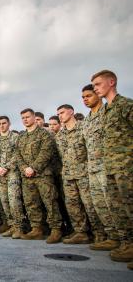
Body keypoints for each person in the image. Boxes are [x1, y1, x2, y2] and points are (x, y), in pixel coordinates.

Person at [91, 70, 133, 267]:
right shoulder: (107, 110)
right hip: (111, 167)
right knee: (118, 208)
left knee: (130, 207)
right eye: (94, 86)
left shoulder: (125, 104)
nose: (96, 88)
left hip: (127, 167)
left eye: (98, 84)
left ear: (112, 82)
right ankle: (127, 244)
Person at [81, 84, 121, 252]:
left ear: (97, 95)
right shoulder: (87, 120)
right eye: (83, 97)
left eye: (88, 95)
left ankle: (125, 239)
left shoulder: (107, 113)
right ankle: (112, 237)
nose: (85, 99)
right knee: (99, 205)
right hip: (92, 169)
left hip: (108, 166)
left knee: (114, 204)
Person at [55, 104, 102, 244]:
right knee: (73, 205)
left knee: (90, 204)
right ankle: (81, 232)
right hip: (68, 175)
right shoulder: (60, 135)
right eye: (58, 114)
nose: (60, 116)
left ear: (71, 112)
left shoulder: (83, 127)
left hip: (84, 173)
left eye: (62, 112)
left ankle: (100, 233)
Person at [15, 108, 62, 244]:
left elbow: (46, 152)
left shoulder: (44, 134)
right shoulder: (21, 137)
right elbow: (17, 155)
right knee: (31, 203)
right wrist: (25, 168)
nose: (25, 119)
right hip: (27, 176)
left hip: (43, 175)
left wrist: (33, 168)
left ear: (34, 117)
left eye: (27, 117)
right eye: (23, 117)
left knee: (50, 201)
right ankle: (37, 229)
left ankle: (56, 229)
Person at [0, 116, 25, 239]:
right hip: (0, 175)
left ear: (9, 124)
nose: (2, 125)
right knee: (4, 201)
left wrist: (7, 167)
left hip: (12, 173)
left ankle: (19, 227)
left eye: (4, 123)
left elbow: (18, 154)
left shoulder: (16, 138)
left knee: (14, 201)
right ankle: (12, 226)